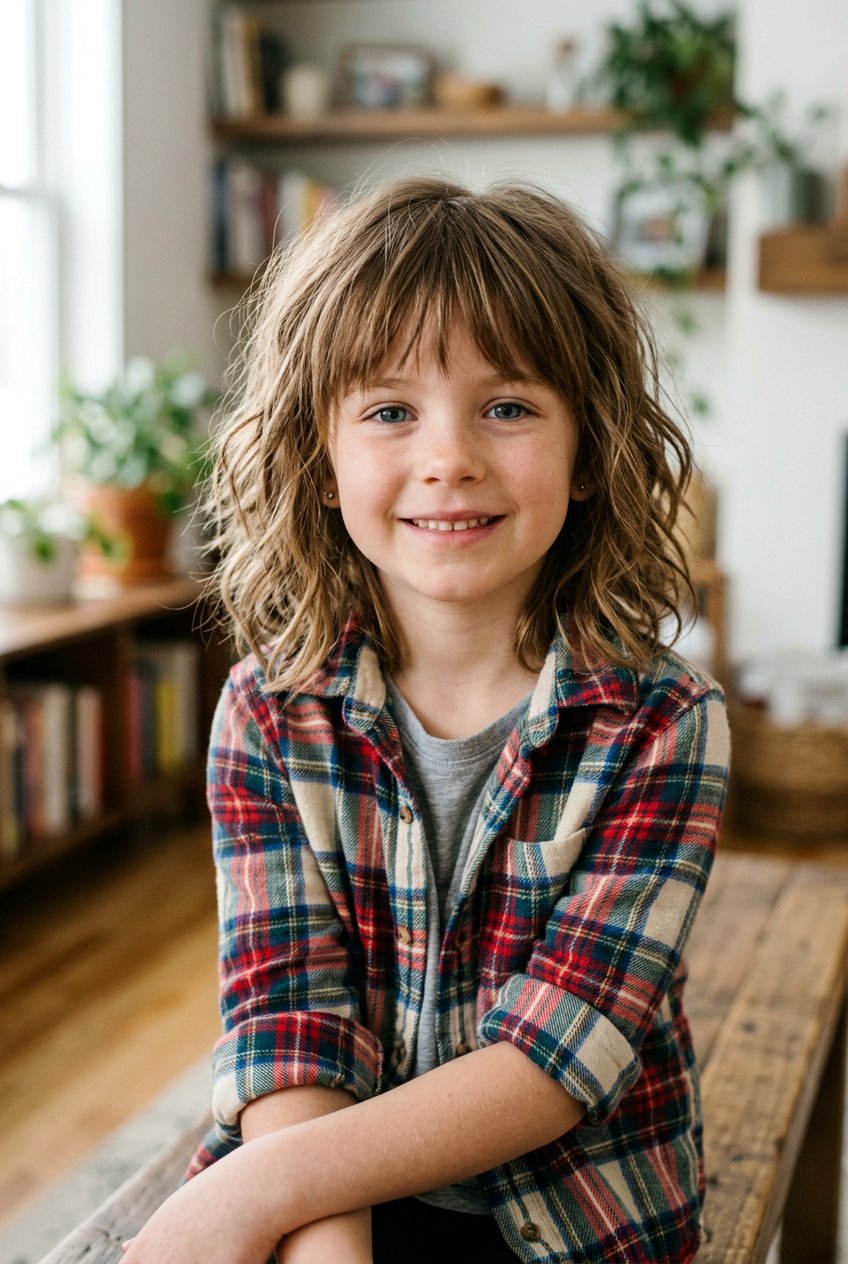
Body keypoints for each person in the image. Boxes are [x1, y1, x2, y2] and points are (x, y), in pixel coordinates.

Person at [123, 177, 730, 1264]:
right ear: (320, 458)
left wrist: (253, 1192)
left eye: (506, 406)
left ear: (589, 448)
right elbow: (290, 1016)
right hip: (329, 1194)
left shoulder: (664, 720)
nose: (447, 456)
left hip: (578, 1219)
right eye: (389, 410)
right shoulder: (264, 712)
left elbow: (555, 1061)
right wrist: (315, 1239)